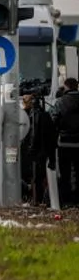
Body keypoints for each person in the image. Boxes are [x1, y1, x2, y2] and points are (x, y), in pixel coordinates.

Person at [22, 94, 57, 206]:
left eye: (25, 100)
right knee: (38, 177)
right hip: (40, 151)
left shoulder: (27, 115)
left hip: (33, 151)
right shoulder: (44, 115)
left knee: (36, 177)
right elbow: (51, 137)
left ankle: (37, 199)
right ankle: (38, 199)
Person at [52, 77, 79, 207]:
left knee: (65, 174)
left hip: (65, 143)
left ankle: (67, 201)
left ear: (66, 87)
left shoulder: (60, 102)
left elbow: (53, 120)